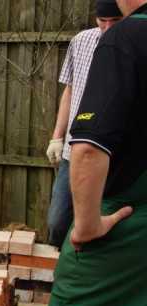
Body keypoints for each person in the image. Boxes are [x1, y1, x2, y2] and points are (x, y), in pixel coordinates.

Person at [35, 0, 147, 306]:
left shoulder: (128, 37)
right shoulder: (90, 41)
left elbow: (88, 148)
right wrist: (56, 135)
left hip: (126, 219)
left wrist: (86, 226)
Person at [45, 0, 122, 248]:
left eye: (115, 21)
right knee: (58, 222)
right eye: (102, 21)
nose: (108, 28)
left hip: (113, 155)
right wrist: (56, 137)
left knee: (104, 227)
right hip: (73, 152)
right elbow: (70, 89)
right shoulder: (81, 42)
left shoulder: (134, 45)